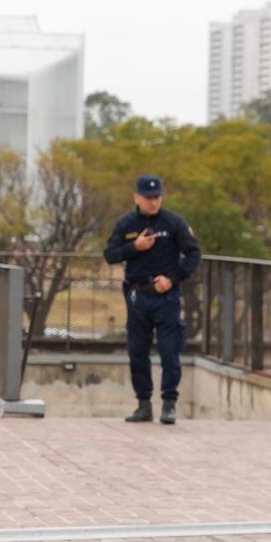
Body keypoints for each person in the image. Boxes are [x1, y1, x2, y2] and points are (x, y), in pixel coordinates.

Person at [102, 175, 201, 425]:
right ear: (137, 197)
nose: (153, 202)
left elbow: (193, 254)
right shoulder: (126, 223)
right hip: (137, 296)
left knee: (169, 351)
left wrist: (173, 279)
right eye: (148, 198)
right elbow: (110, 254)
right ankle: (143, 404)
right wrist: (135, 247)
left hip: (166, 295)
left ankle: (169, 403)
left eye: (157, 197)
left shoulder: (174, 222)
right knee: (138, 352)